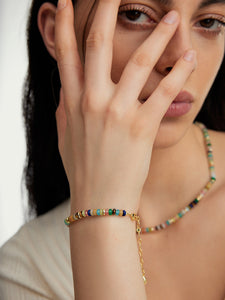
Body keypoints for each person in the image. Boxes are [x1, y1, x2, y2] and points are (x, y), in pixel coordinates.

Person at [0, 0, 225, 298]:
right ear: (57, 32)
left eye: (210, 22)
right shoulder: (28, 269)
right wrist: (103, 215)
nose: (182, 59)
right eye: (135, 15)